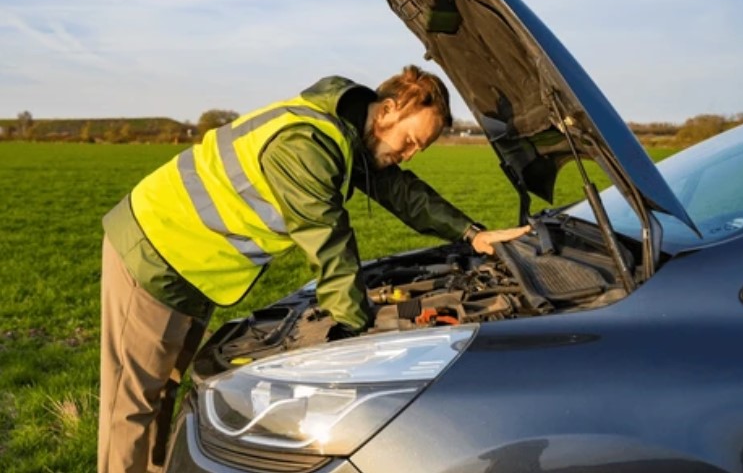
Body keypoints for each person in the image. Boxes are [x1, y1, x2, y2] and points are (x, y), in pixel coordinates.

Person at [98, 65, 529, 472]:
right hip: (157, 248)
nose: (411, 154)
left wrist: (471, 233)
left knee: (165, 390)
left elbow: (402, 192)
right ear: (389, 110)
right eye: (412, 141)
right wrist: (355, 333)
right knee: (131, 404)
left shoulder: (348, 135)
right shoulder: (308, 143)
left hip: (196, 266)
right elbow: (329, 241)